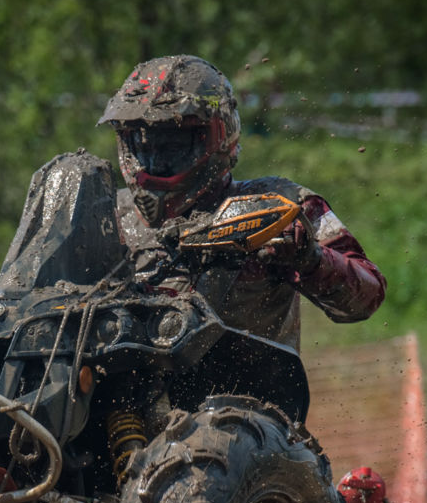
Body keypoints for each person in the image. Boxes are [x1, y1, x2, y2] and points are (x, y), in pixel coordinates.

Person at [99, 54, 386, 345]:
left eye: (173, 143)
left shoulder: (278, 205)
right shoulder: (107, 216)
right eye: (142, 144)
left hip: (245, 372)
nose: (155, 159)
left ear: (218, 135)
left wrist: (310, 257)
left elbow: (368, 296)